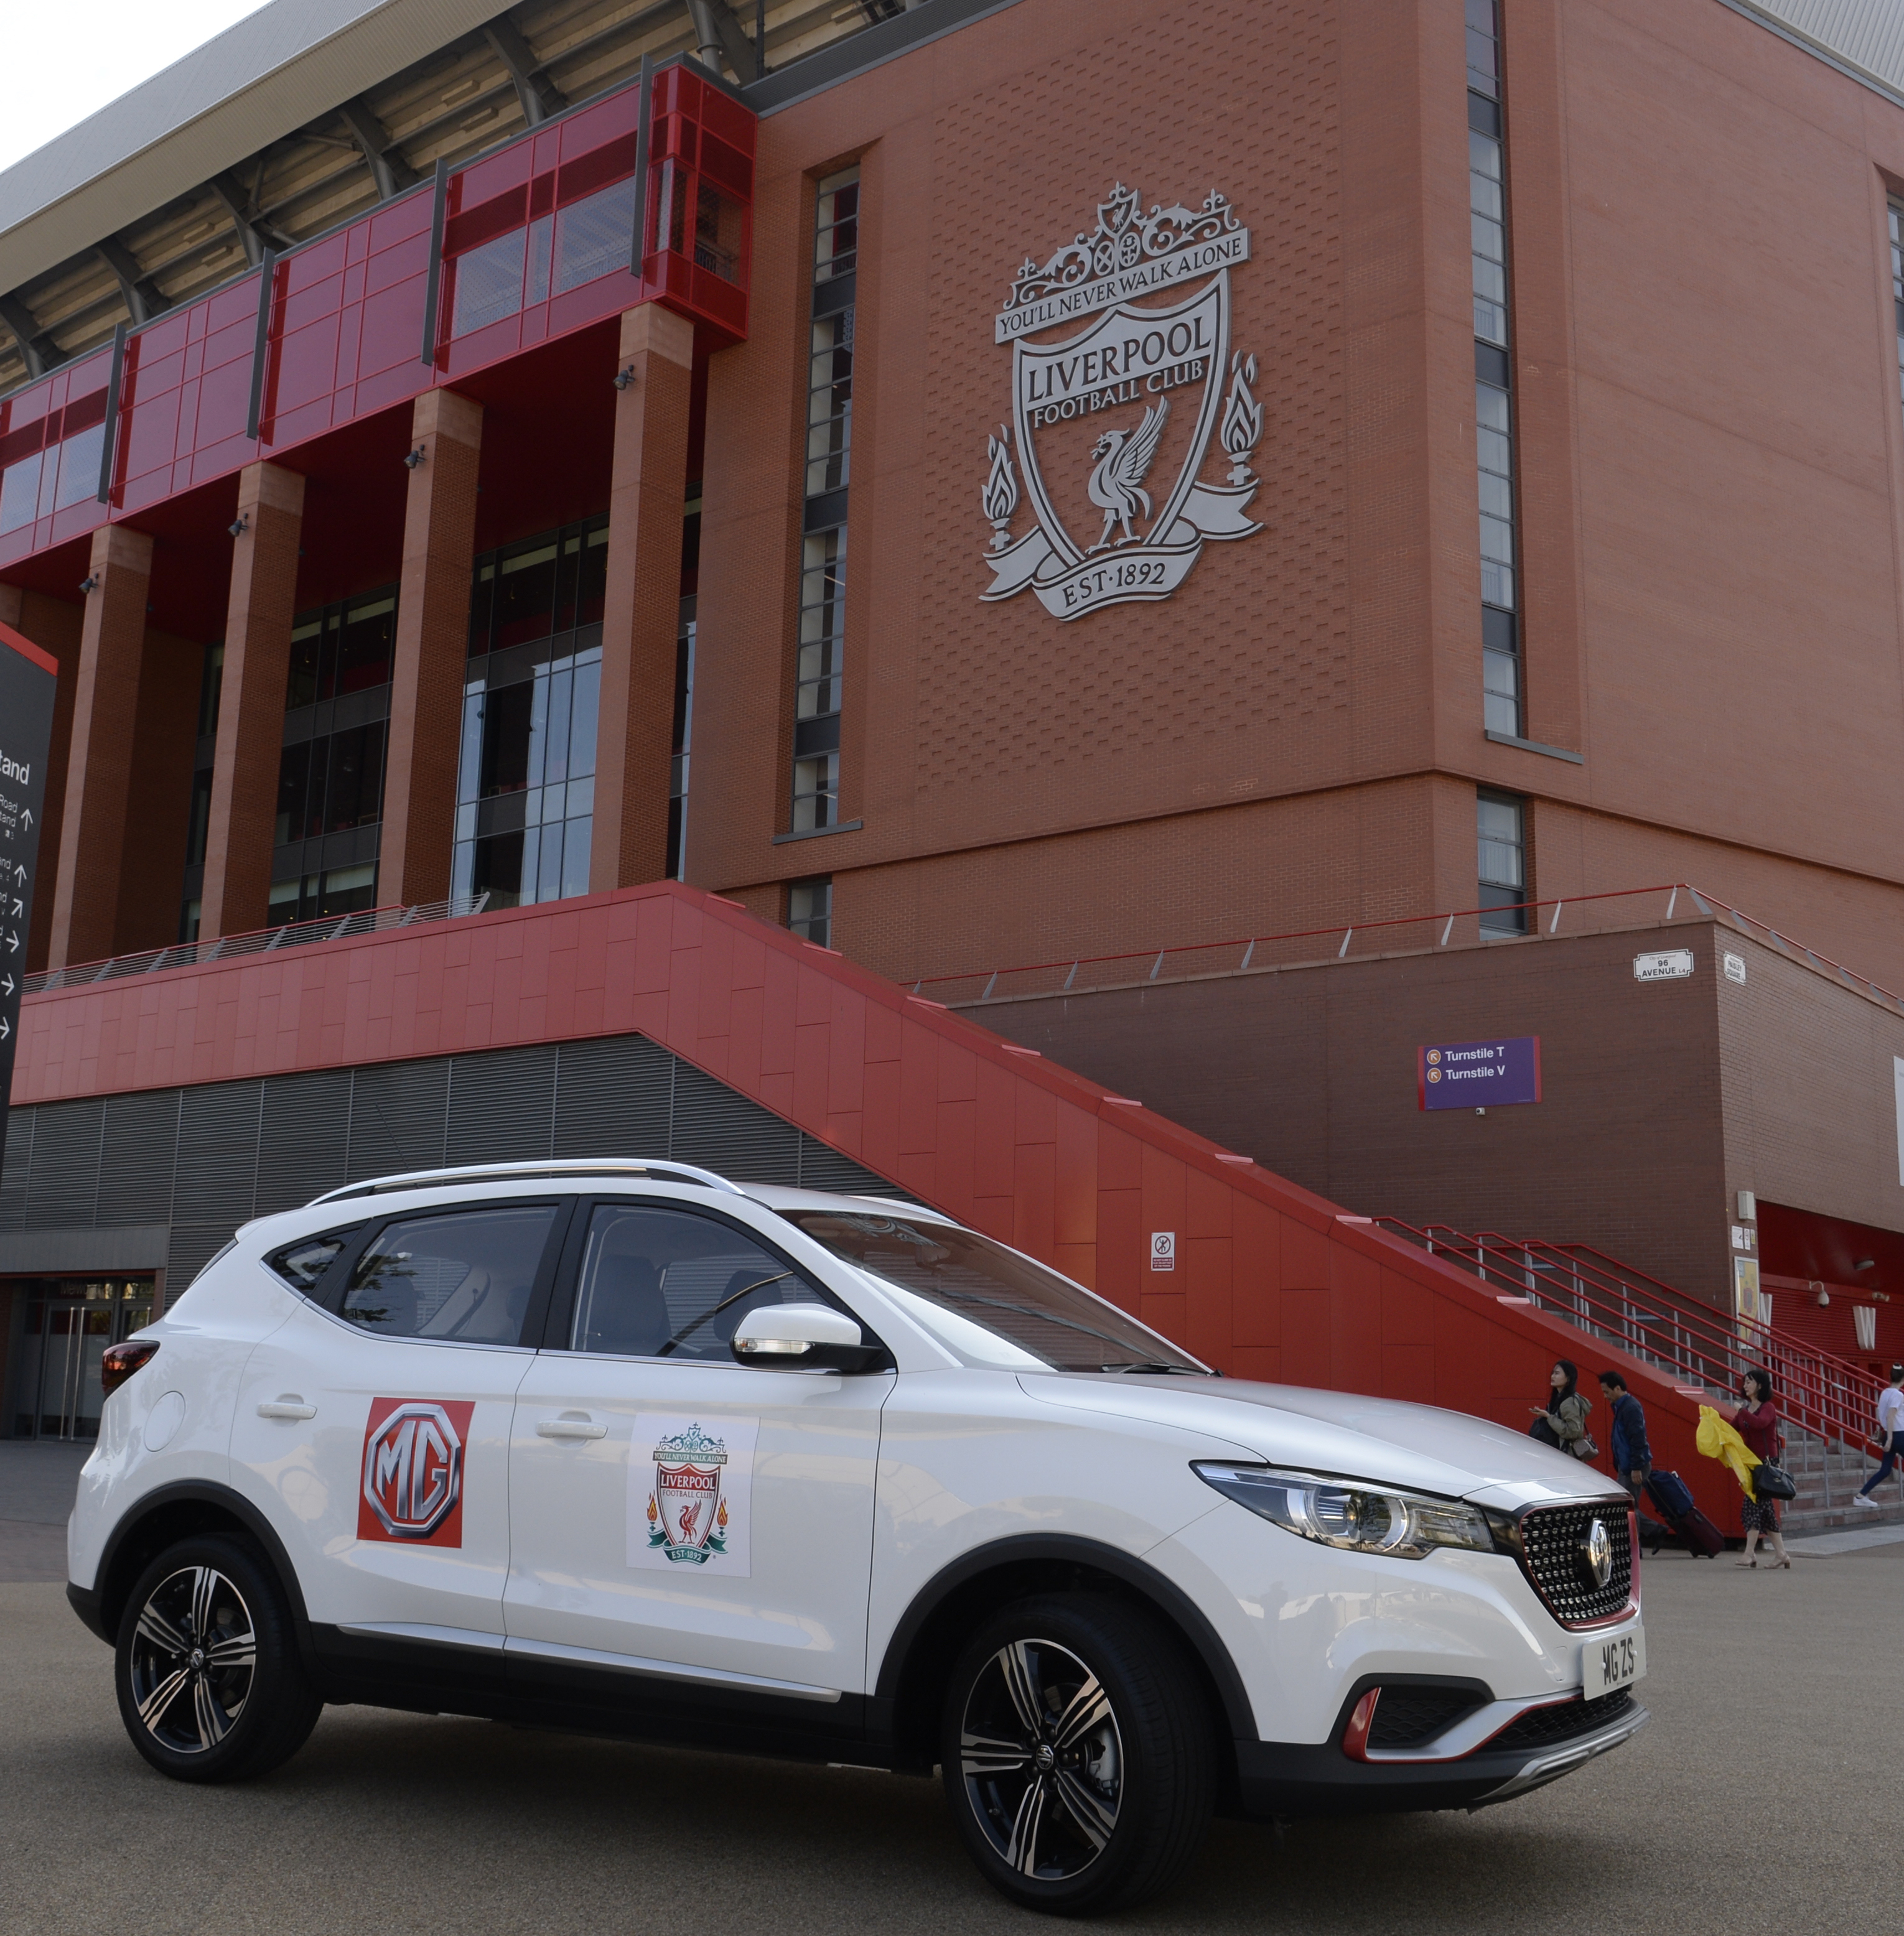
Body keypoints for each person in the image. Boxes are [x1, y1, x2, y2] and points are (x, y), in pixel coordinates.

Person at [1727, 1367, 1790, 1568]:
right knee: (1765, 1511)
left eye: (1750, 1382)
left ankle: (1749, 1554)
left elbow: (1759, 1424)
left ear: (1760, 1385)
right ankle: (1781, 1554)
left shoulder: (1767, 1408)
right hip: (1753, 1465)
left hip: (1766, 1464)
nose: (1745, 1385)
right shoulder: (1746, 1410)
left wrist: (1741, 1411)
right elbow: (1732, 1428)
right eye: (1745, 1382)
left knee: (1752, 1506)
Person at [1853, 1362, 1904, 1507]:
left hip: (1889, 1434)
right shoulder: (1898, 1395)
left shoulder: (1885, 1393)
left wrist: (1888, 1439)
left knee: (1885, 1470)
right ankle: (1860, 1497)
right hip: (1898, 1434)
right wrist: (1891, 1440)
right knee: (1885, 1470)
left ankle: (1861, 1496)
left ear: (1890, 1377)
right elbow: (1890, 1416)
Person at [1529, 1359, 1592, 1457]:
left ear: (1568, 1378)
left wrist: (1548, 1416)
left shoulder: (1569, 1402)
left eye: (1557, 1373)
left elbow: (1572, 1431)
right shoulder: (1561, 1398)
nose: (1553, 1376)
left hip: (1567, 1455)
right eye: (1553, 1373)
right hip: (1561, 1453)